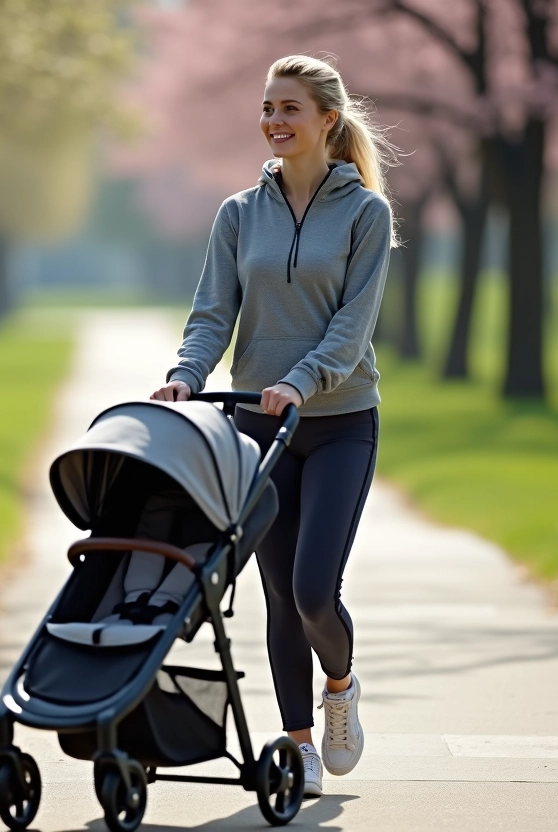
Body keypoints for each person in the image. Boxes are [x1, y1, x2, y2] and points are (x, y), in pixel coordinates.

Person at [151, 54, 396, 798]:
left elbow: (351, 329)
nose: (274, 121)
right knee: (278, 595)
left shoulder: (365, 214)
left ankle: (341, 690)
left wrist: (299, 380)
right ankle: (298, 747)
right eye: (267, 108)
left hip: (340, 421)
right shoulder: (237, 214)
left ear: (328, 119)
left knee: (316, 589)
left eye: (290, 108)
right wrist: (187, 375)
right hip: (259, 426)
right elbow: (212, 314)